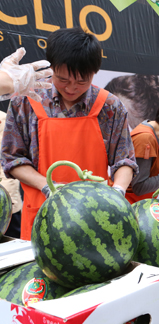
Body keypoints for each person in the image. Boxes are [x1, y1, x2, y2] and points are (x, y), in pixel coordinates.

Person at [1, 27, 138, 240]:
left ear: (94, 72)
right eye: (63, 79)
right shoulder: (26, 101)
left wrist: (118, 191)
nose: (71, 88)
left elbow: (125, 160)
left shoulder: (110, 106)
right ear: (52, 67)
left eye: (82, 81)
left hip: (97, 217)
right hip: (43, 214)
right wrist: (48, 187)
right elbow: (12, 159)